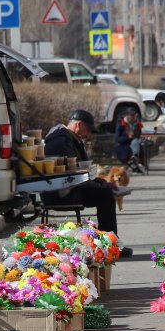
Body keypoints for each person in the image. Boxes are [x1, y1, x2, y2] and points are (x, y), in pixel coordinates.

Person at [42, 109, 133, 256]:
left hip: (70, 188)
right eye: (88, 129)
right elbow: (73, 174)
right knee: (105, 196)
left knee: (106, 192)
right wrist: (99, 185)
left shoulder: (70, 139)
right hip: (61, 193)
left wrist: (101, 182)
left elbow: (81, 172)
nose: (89, 133)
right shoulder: (61, 141)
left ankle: (109, 243)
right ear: (78, 124)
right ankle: (110, 246)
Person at [113, 105, 145, 173]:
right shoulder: (121, 124)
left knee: (138, 142)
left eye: (134, 115)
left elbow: (139, 134)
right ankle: (133, 160)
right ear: (127, 115)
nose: (133, 117)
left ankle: (135, 161)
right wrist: (128, 137)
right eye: (131, 115)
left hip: (135, 142)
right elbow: (117, 139)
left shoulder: (138, 124)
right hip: (123, 144)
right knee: (135, 143)